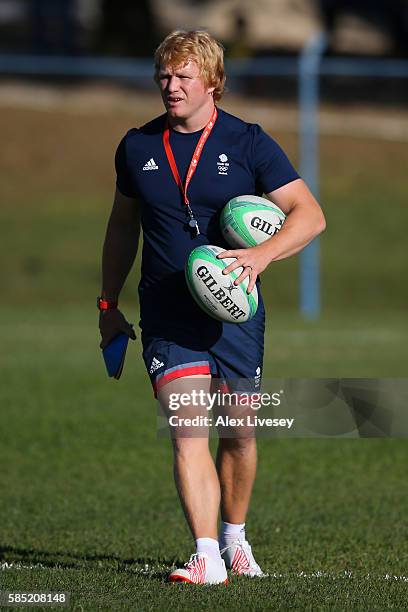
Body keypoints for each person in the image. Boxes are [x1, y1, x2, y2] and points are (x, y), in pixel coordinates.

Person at [98, 30, 326, 585]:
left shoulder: (248, 142)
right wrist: (107, 302)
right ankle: (205, 554)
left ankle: (234, 537)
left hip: (234, 308)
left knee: (241, 434)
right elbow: (122, 226)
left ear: (212, 83)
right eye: (164, 75)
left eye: (183, 77)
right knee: (186, 429)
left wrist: (260, 256)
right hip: (168, 310)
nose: (170, 86)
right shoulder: (137, 146)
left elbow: (310, 215)